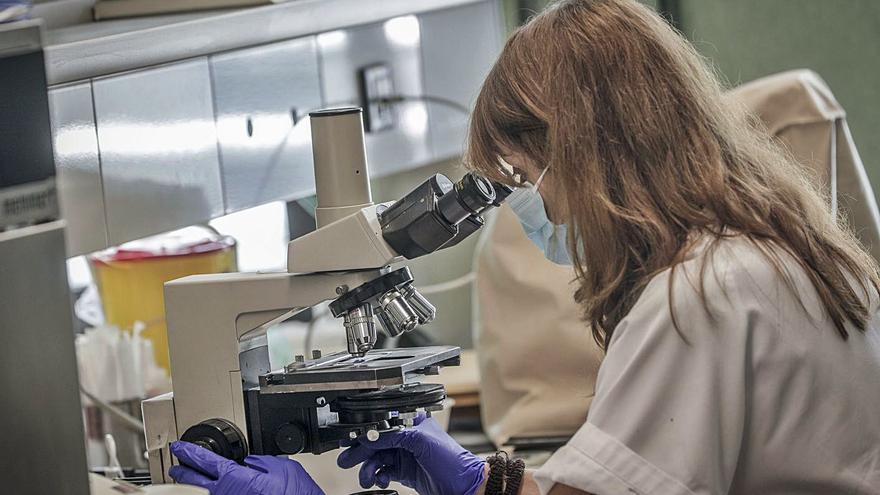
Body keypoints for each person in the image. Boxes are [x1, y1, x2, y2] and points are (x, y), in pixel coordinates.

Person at [169, 0, 880, 493]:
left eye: (517, 178)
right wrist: (489, 483)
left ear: (585, 151)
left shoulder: (696, 298)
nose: (523, 207)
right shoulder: (767, 251)